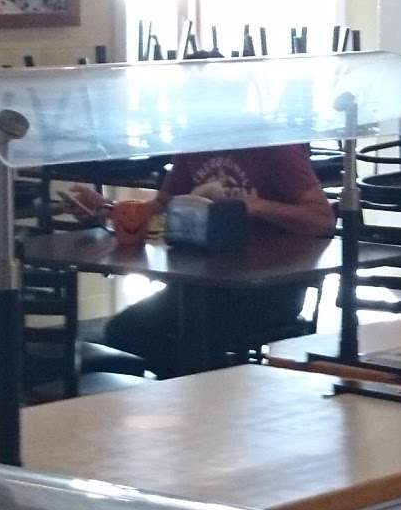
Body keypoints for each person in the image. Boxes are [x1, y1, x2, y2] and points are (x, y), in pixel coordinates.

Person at [96, 144, 335, 377]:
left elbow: (322, 218)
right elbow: (164, 204)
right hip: (201, 286)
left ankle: (207, 391)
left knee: (196, 338)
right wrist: (110, 209)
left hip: (269, 288)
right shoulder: (195, 142)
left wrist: (257, 207)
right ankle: (197, 391)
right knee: (124, 331)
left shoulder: (275, 146)